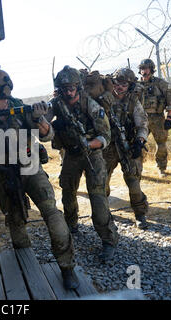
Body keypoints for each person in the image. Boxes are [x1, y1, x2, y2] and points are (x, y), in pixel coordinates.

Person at [0, 65, 79, 289]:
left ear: (4, 89)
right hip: (5, 174)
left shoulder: (22, 109)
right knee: (15, 220)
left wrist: (39, 119)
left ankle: (67, 267)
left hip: (30, 168)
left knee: (52, 214)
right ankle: (25, 265)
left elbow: (47, 136)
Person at [50, 65, 119, 264]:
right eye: (64, 89)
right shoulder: (57, 104)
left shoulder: (90, 105)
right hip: (71, 155)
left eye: (72, 88)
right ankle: (71, 225)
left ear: (78, 87)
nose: (68, 92)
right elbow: (44, 125)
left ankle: (109, 240)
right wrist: (45, 122)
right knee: (67, 191)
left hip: (92, 154)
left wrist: (88, 143)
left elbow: (105, 135)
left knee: (97, 197)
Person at [101, 68, 150, 229]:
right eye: (117, 83)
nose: (120, 87)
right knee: (102, 182)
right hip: (108, 147)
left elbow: (142, 124)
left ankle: (140, 214)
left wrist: (139, 141)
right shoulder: (104, 99)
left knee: (133, 182)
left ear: (130, 85)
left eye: (124, 84)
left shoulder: (133, 101)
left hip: (127, 145)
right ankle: (103, 213)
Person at [138, 59, 171, 177]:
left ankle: (161, 168)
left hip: (157, 118)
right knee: (137, 144)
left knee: (161, 144)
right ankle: (137, 169)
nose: (144, 71)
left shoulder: (161, 83)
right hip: (140, 120)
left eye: (146, 68)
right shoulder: (136, 85)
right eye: (142, 68)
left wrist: (169, 118)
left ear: (151, 69)